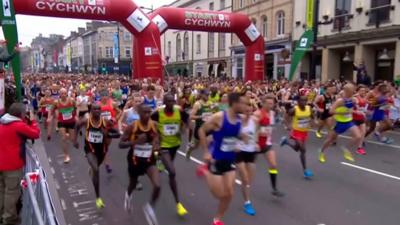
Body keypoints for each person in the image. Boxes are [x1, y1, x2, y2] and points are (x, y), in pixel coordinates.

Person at [197, 92, 246, 225]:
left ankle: (217, 219)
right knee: (218, 194)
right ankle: (205, 170)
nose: (245, 105)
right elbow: (201, 130)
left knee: (229, 193)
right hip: (215, 159)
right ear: (234, 103)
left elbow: (234, 135)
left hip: (230, 159)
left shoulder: (239, 119)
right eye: (242, 103)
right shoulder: (219, 117)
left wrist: (240, 141)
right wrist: (206, 151)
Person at [119, 104, 160, 225]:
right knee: (132, 183)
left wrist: (156, 146)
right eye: (145, 112)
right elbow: (121, 144)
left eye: (149, 112)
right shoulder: (132, 127)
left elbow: (157, 139)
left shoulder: (154, 125)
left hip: (149, 160)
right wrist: (135, 142)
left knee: (157, 185)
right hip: (134, 160)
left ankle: (149, 207)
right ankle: (128, 196)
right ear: (139, 113)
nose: (147, 115)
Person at [0, 103, 40, 225]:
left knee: (1, 190)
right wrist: (33, 121)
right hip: (12, 165)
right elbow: (35, 133)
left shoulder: (2, 121)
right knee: (12, 193)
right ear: (21, 114)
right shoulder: (18, 125)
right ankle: (9, 219)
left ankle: (2, 214)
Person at [150, 93, 189, 216]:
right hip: (163, 146)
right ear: (164, 102)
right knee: (172, 172)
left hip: (175, 145)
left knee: (169, 164)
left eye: (173, 101)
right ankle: (178, 203)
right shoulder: (158, 113)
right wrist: (155, 135)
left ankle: (160, 162)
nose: (172, 103)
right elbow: (149, 122)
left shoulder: (179, 112)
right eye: (169, 101)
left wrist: (184, 129)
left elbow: (188, 121)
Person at [73, 104, 109, 209]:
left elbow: (112, 134)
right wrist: (74, 140)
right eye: (95, 109)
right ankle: (98, 198)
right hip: (90, 149)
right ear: (91, 111)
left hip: (102, 149)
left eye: (99, 109)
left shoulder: (105, 121)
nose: (97, 110)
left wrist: (106, 133)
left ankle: (92, 168)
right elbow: (76, 126)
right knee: (96, 170)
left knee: (96, 166)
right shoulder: (85, 121)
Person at [319, 84, 361, 163]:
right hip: (339, 123)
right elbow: (331, 111)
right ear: (347, 91)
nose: (354, 91)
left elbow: (353, 109)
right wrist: (342, 113)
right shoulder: (340, 101)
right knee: (330, 140)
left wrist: (358, 111)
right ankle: (321, 152)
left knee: (358, 136)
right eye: (352, 90)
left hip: (349, 121)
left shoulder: (353, 99)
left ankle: (346, 149)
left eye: (354, 90)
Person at [253, 95, 284, 196]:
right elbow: (253, 130)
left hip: (267, 143)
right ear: (263, 103)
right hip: (256, 144)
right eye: (268, 103)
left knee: (273, 165)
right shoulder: (257, 114)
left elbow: (270, 127)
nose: (271, 105)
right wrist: (255, 142)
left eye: (272, 103)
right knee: (249, 167)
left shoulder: (272, 113)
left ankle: (274, 188)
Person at [280, 95, 315, 178]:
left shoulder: (308, 108)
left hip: (304, 132)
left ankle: (286, 142)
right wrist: (287, 125)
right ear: (298, 102)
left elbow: (312, 116)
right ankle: (305, 171)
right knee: (303, 150)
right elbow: (286, 116)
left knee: (296, 149)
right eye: (302, 101)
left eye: (305, 101)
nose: (303, 103)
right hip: (296, 132)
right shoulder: (294, 110)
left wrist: (313, 122)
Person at [235, 96, 258, 216]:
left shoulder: (254, 120)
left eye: (251, 111)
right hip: (239, 152)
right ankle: (247, 202)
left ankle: (244, 191)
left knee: (248, 181)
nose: (249, 113)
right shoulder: (237, 120)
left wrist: (257, 143)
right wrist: (236, 144)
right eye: (246, 111)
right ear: (242, 110)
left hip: (251, 152)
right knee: (244, 178)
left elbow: (256, 132)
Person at [54, 88, 77, 163]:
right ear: (59, 94)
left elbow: (76, 108)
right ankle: (66, 156)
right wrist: (49, 117)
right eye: (62, 93)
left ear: (67, 93)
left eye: (65, 93)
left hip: (71, 122)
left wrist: (76, 115)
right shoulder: (56, 102)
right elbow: (51, 110)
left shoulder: (72, 100)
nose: (63, 95)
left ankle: (67, 134)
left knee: (72, 139)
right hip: (62, 122)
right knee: (63, 138)